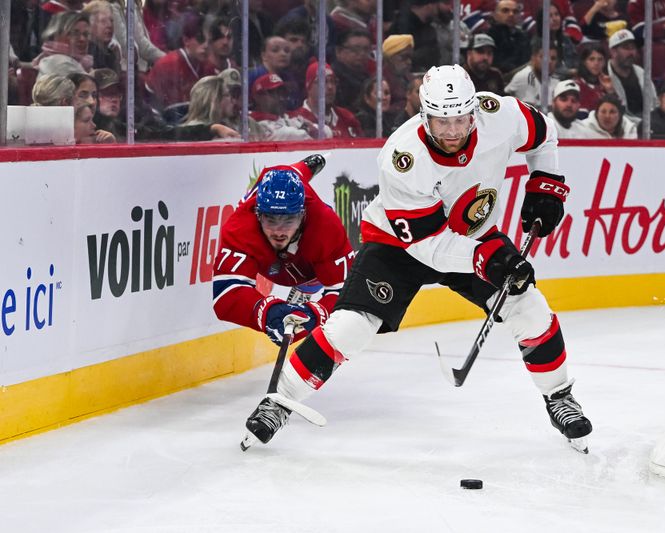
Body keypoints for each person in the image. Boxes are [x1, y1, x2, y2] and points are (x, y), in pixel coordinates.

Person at [242, 64, 593, 451]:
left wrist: (546, 183)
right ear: (424, 115)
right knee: (351, 328)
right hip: (399, 244)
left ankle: (559, 396)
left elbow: (545, 134)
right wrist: (489, 259)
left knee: (528, 305)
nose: (454, 131)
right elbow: (429, 245)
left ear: (474, 109)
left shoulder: (500, 115)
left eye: (461, 118)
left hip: (473, 236)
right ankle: (279, 400)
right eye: (442, 122)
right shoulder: (402, 156)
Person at [212, 155, 355, 427]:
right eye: (270, 220)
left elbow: (346, 294)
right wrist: (268, 313)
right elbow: (225, 296)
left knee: (314, 286)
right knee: (285, 172)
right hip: (273, 265)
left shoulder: (325, 225)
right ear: (257, 213)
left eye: (288, 220)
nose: (278, 231)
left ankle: (306, 168)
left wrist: (316, 314)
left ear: (302, 214)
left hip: (309, 268)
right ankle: (305, 168)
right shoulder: (240, 227)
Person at [607, 28, 656, 123]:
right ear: (613, 52)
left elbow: (654, 102)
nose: (631, 53)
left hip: (647, 122)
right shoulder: (604, 74)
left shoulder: (641, 72)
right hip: (619, 123)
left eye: (633, 47)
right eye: (626, 48)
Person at [574, 43, 615, 119]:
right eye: (591, 59)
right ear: (584, 62)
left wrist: (610, 91)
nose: (596, 63)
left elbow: (617, 112)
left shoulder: (607, 84)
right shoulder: (575, 85)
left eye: (600, 59)